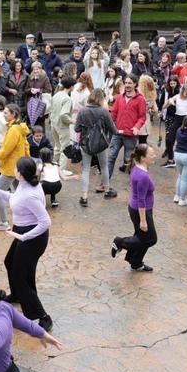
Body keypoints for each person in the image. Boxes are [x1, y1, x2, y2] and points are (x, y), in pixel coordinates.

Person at [0, 157, 53, 331]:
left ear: (20, 173)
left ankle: (43, 316)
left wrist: (24, 237)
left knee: (21, 274)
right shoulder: (25, 186)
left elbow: (45, 222)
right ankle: (18, 295)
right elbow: (15, 198)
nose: (14, 170)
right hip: (22, 231)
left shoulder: (30, 194)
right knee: (10, 262)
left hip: (33, 237)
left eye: (16, 168)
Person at [111, 144, 158, 272]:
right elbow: (141, 199)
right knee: (151, 239)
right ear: (143, 158)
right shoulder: (142, 176)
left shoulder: (137, 168)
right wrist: (143, 220)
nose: (154, 157)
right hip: (140, 210)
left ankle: (136, 262)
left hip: (137, 208)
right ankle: (120, 242)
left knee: (142, 238)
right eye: (151, 155)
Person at [0, 104, 31, 231]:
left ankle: (4, 222)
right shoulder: (19, 128)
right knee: (20, 193)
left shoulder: (14, 130)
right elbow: (26, 145)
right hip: (18, 166)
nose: (3, 115)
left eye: (5, 113)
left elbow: (5, 152)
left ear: (13, 114)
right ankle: (28, 216)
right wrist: (27, 160)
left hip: (10, 168)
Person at [76, 89, 118, 205]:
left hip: (85, 144)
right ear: (101, 99)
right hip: (101, 144)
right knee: (104, 166)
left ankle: (84, 196)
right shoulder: (104, 112)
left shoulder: (82, 111)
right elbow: (113, 130)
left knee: (85, 169)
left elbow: (77, 129)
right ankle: (107, 190)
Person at [108, 75, 147, 179]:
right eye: (126, 83)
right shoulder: (120, 97)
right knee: (111, 157)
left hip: (130, 135)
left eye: (129, 83)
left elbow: (142, 117)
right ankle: (105, 182)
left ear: (135, 84)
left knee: (129, 160)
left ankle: (134, 180)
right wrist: (109, 124)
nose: (127, 85)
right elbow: (113, 113)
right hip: (117, 133)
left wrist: (137, 127)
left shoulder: (140, 99)